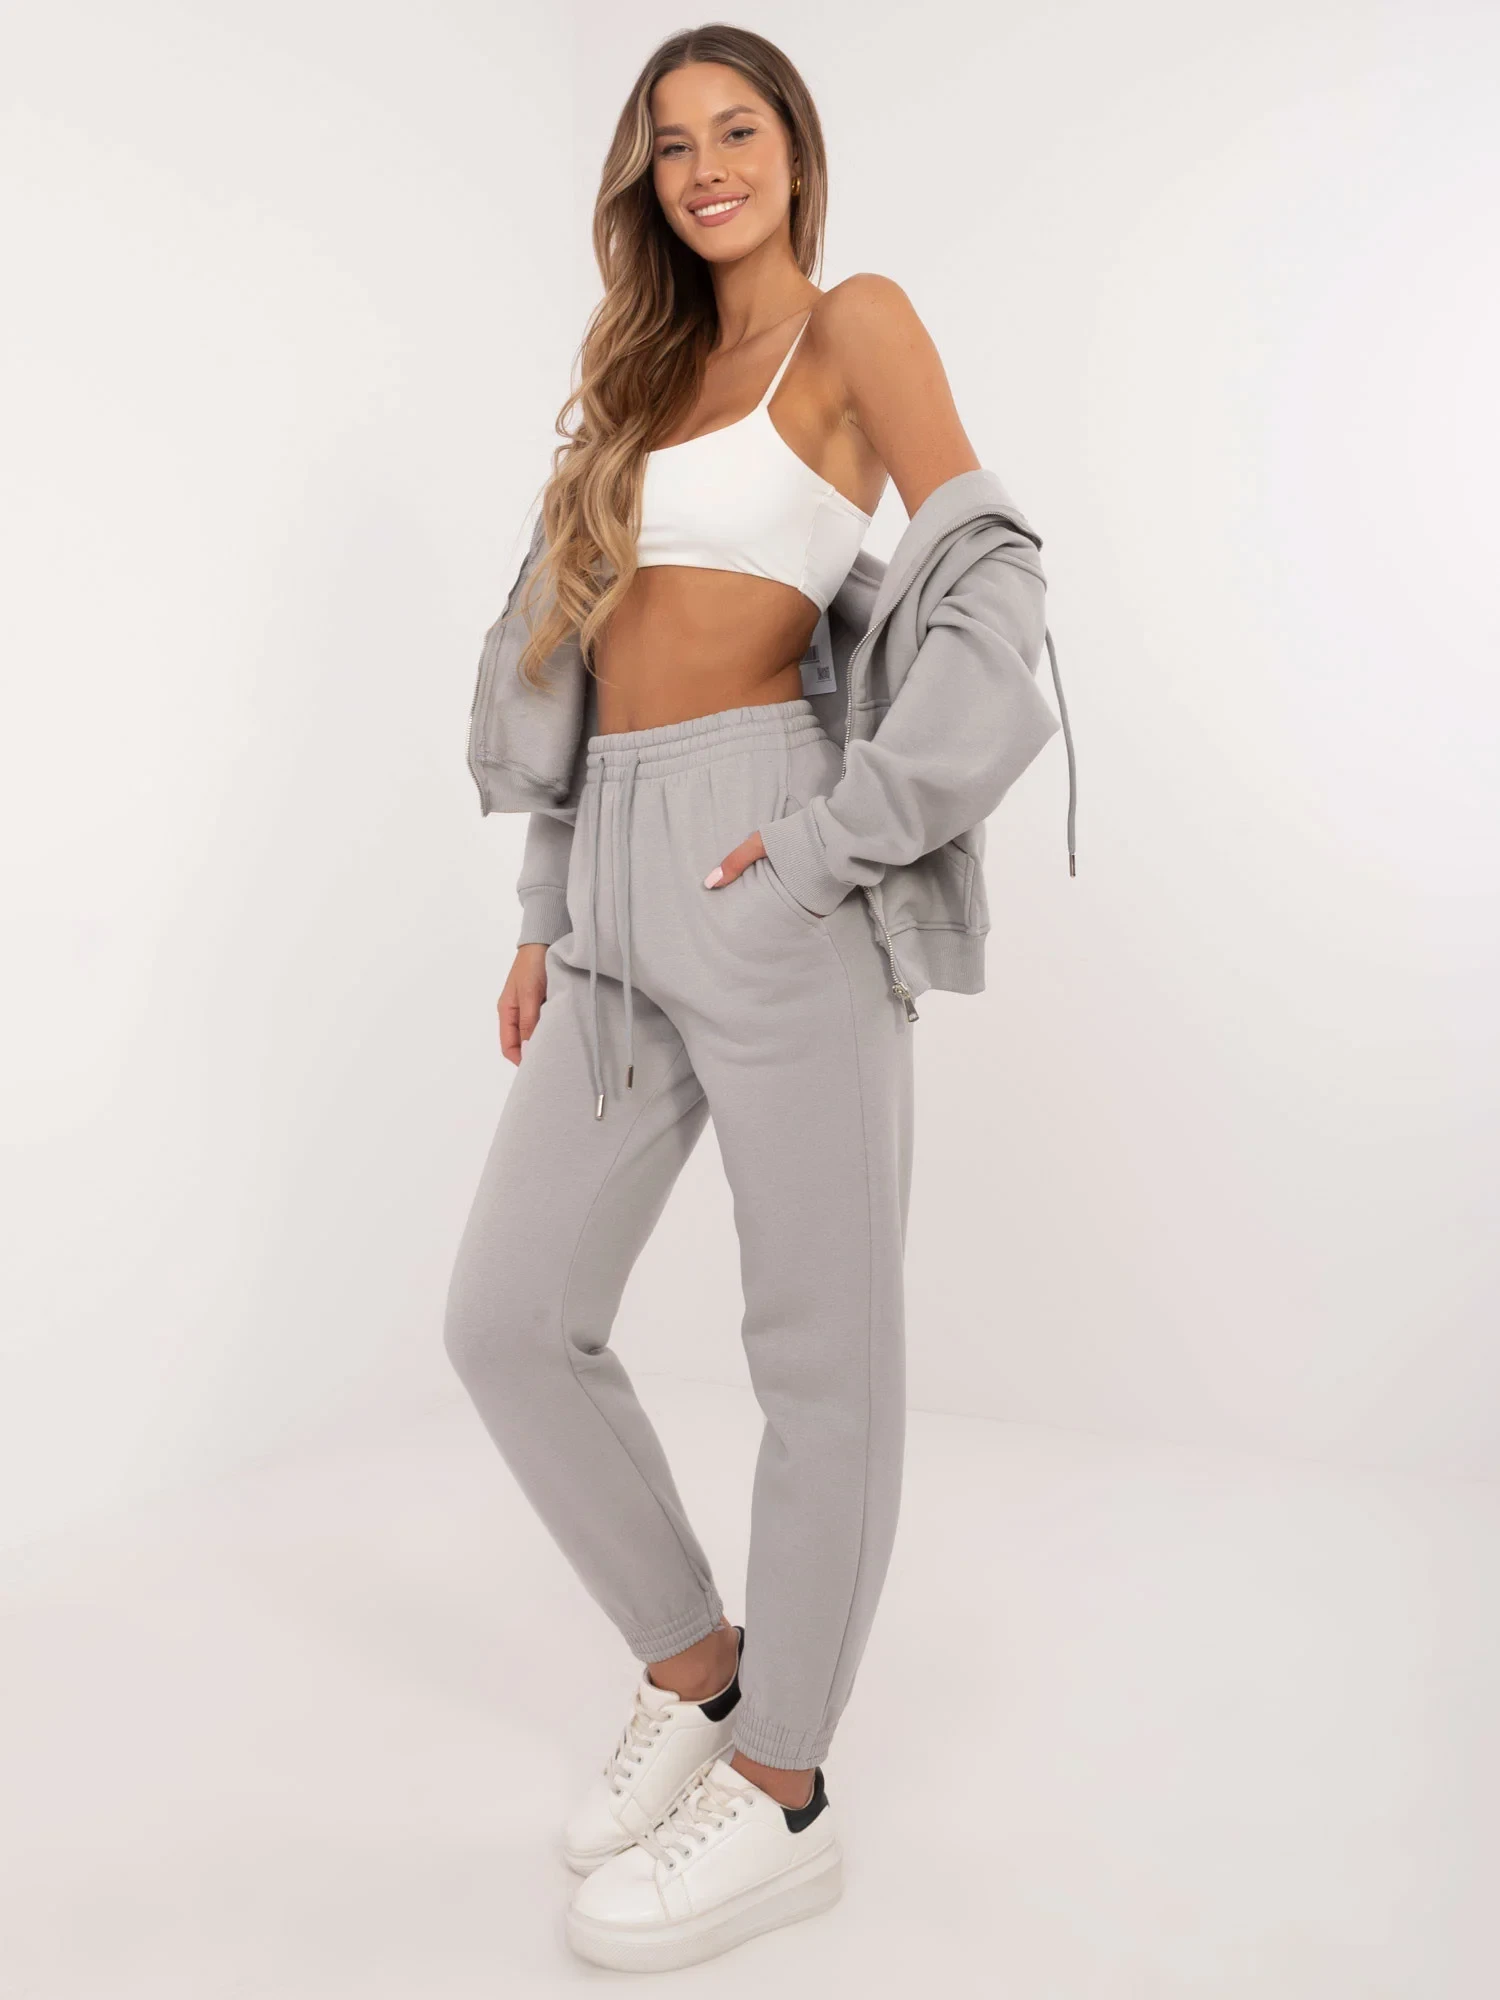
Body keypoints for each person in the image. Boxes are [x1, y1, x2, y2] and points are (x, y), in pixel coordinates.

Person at [443, 23, 1075, 1975]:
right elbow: (575, 654)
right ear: (644, 180)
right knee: (507, 1317)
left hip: (771, 856)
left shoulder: (851, 326)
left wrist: (830, 843)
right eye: (672, 143)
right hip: (616, 886)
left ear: (795, 150)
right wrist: (547, 903)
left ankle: (785, 1790)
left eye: (738, 130)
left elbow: (990, 582)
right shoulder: (635, 378)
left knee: (819, 1353)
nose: (706, 164)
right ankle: (701, 1669)